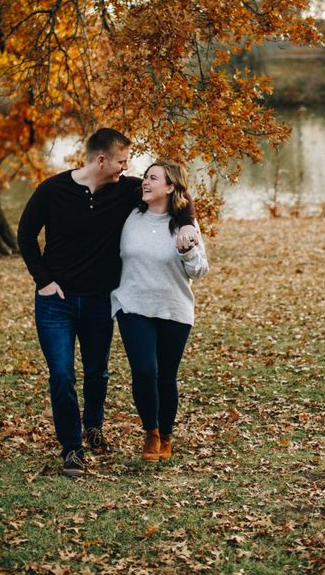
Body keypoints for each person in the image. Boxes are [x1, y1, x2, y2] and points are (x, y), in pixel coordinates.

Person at [17, 129, 198, 478]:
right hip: (57, 302)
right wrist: (43, 281)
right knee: (61, 374)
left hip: (101, 299)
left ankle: (94, 425)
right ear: (101, 161)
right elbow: (26, 234)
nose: (126, 169)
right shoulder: (52, 190)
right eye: (122, 161)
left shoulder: (125, 190)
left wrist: (188, 224)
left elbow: (178, 191)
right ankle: (72, 448)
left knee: (97, 371)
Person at [111, 159, 208, 462]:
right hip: (133, 304)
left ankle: (166, 435)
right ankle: (151, 432)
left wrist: (188, 249)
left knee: (166, 376)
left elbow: (199, 271)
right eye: (146, 177)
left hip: (173, 308)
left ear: (169, 187)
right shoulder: (130, 215)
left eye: (154, 178)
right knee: (144, 371)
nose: (146, 182)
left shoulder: (183, 225)